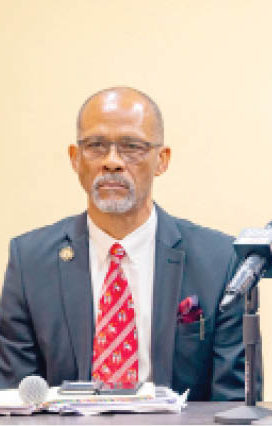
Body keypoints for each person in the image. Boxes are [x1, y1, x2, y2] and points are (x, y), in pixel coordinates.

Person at [0, 87, 246, 400]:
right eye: (96, 146)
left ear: (162, 160)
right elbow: (13, 400)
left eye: (131, 147)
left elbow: (234, 404)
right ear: (75, 159)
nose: (112, 162)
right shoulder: (30, 262)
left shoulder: (220, 261)